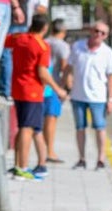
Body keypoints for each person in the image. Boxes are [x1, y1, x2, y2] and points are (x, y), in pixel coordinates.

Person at [5, 12, 64, 179]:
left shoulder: (19, 38)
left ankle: (21, 165)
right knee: (27, 128)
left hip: (17, 89)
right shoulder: (42, 46)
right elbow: (42, 72)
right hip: (32, 92)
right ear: (45, 28)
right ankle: (23, 168)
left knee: (26, 126)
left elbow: (4, 42)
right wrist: (57, 89)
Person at [63, 21, 112, 170]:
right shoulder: (78, 47)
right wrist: (65, 86)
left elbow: (111, 76)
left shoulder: (107, 52)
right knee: (80, 128)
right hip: (78, 95)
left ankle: (100, 159)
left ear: (106, 36)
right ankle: (82, 159)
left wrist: (110, 99)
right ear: (91, 31)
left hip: (98, 97)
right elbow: (69, 67)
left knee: (100, 128)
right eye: (96, 31)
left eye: (103, 33)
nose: (98, 35)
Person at [42, 18, 70, 163]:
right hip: (54, 86)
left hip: (41, 84)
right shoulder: (63, 46)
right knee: (51, 119)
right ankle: (50, 151)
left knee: (41, 120)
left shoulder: (44, 41)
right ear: (64, 31)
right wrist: (66, 87)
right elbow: (65, 68)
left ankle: (44, 150)